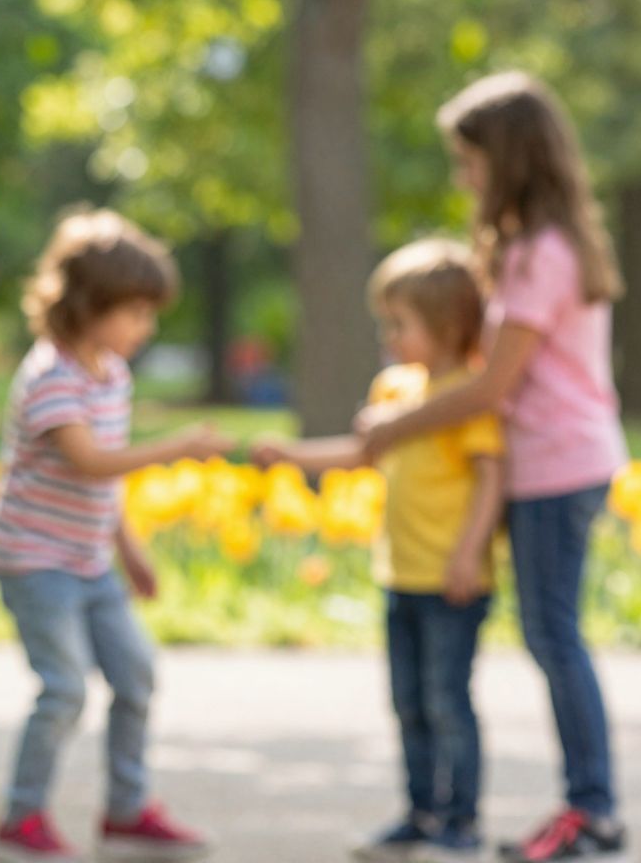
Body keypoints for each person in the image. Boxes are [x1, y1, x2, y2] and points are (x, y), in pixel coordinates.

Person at [359, 73, 631, 862]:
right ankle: (583, 806)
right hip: (552, 463)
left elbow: (492, 384)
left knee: (555, 637)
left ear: (507, 158)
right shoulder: (536, 247)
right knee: (551, 635)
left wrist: (392, 426)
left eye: (470, 161)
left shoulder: (541, 255)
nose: (463, 177)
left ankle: (593, 810)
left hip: (557, 465)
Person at [0, 208, 227, 863]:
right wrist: (176, 447)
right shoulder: (49, 377)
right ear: (90, 305)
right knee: (64, 688)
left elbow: (101, 483)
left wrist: (131, 552)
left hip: (89, 560)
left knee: (137, 674)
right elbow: (88, 459)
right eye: (137, 312)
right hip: (36, 561)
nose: (146, 327)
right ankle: (22, 815)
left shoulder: (111, 374)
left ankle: (126, 807)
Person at [253, 239, 505, 862]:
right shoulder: (394, 389)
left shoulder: (468, 397)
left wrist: (469, 553)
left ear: (446, 326)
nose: (387, 337)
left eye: (400, 324)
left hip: (452, 579)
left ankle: (461, 822)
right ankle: (419, 814)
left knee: (449, 701)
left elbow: (493, 479)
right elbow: (363, 452)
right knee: (408, 702)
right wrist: (293, 457)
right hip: (400, 574)